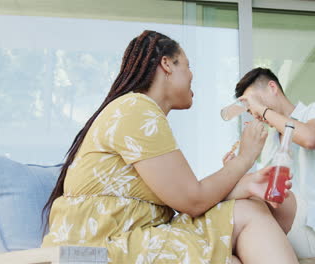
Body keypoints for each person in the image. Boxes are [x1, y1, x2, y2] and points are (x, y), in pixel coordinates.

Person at [41, 30, 298, 264]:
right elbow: (193, 199)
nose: (191, 75)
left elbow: (185, 198)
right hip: (102, 244)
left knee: (244, 226)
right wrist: (245, 158)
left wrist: (245, 183)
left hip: (133, 237)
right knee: (248, 215)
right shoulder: (136, 109)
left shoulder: (140, 112)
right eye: (187, 66)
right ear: (167, 64)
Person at [226, 67, 315, 259]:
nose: (254, 112)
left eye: (254, 101)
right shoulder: (271, 140)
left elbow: (310, 138)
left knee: (261, 194)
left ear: (272, 87)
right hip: (285, 230)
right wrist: (234, 169)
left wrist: (262, 110)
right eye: (250, 109)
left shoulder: (313, 112)